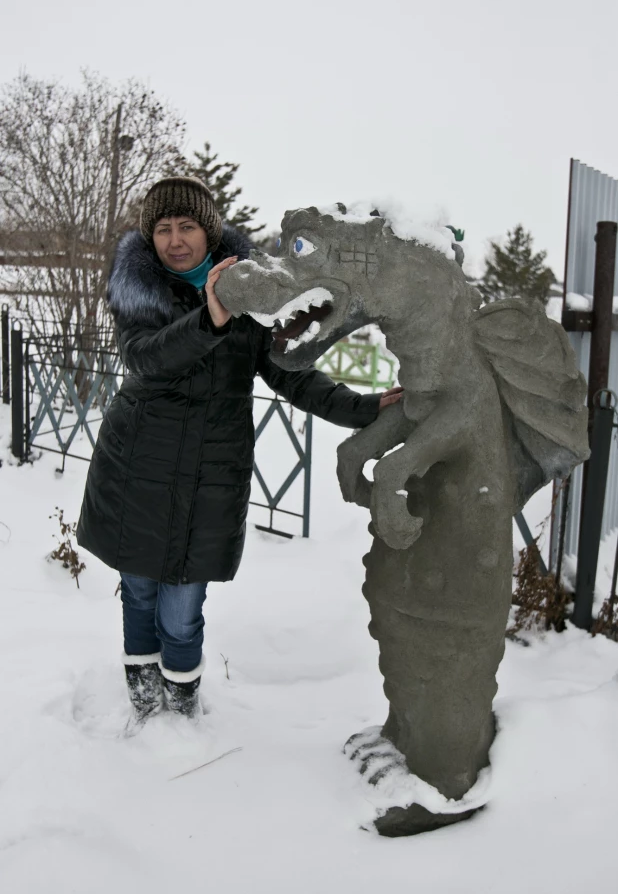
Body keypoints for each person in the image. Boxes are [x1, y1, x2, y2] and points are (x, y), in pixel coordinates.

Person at [76, 176, 402, 727]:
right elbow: (145, 359)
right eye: (163, 229)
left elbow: (291, 377)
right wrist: (209, 316)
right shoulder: (139, 291)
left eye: (187, 227)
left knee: (181, 612)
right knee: (138, 594)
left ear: (210, 229)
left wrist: (363, 408)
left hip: (210, 475)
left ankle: (180, 714)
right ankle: (144, 706)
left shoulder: (254, 294)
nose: (175, 240)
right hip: (137, 469)